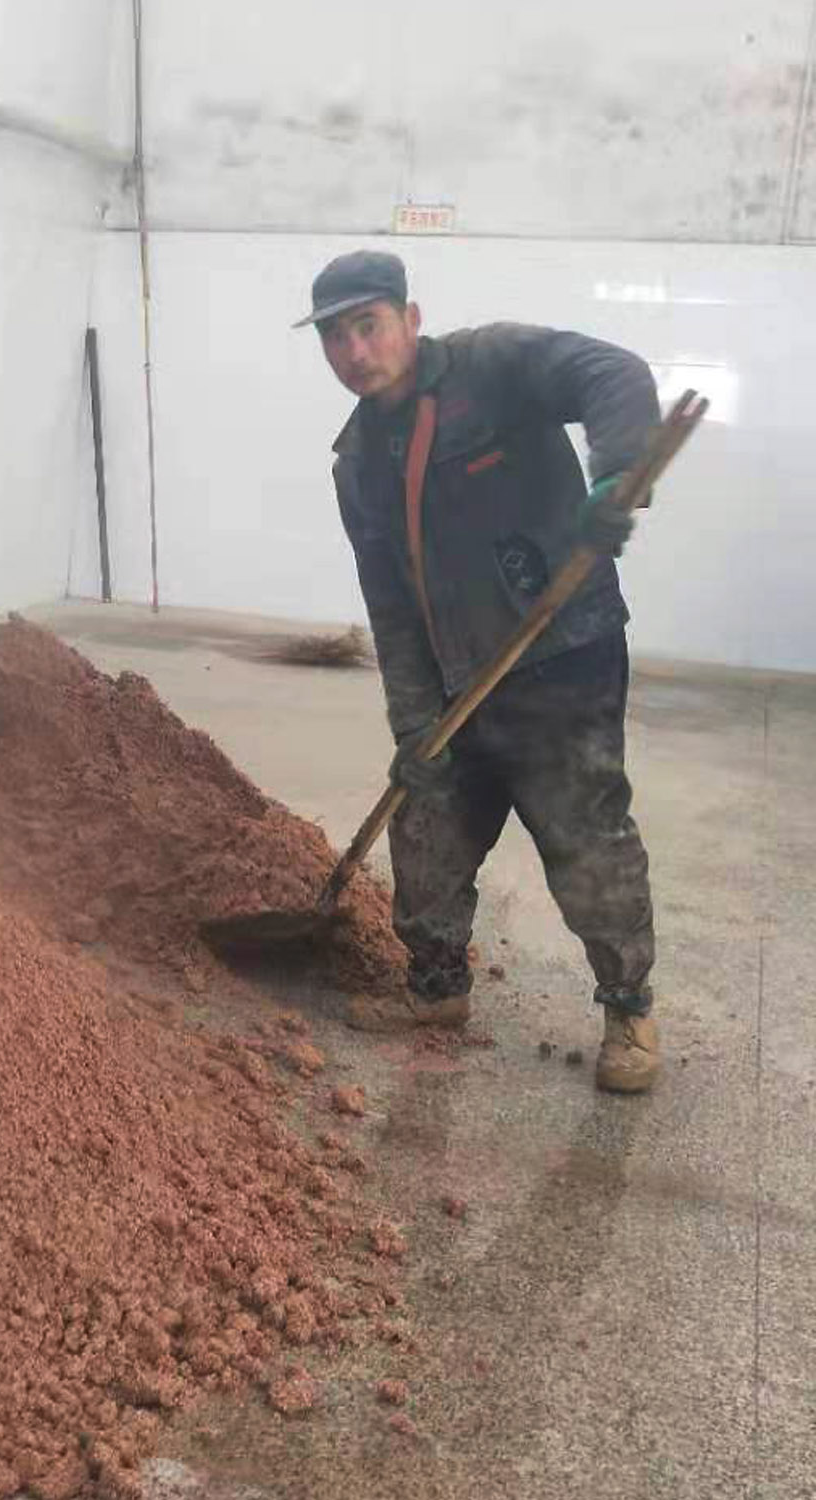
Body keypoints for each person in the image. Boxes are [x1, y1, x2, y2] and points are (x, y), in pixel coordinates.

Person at [297, 249, 664, 1094]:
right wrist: (412, 725)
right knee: (426, 829)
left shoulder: (494, 366)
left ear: (409, 320)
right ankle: (435, 992)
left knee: (586, 840)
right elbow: (389, 605)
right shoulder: (357, 462)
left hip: (560, 652)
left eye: (369, 325)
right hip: (456, 679)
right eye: (334, 336)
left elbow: (614, 373)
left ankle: (628, 1010)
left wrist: (616, 473)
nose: (354, 350)